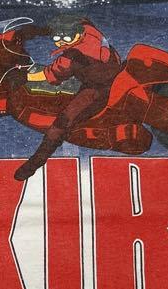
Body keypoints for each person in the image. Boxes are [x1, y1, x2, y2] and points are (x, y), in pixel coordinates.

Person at [13, 14, 122, 180]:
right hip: (110, 69)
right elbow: (76, 22)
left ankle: (34, 163)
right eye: (57, 38)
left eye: (67, 38)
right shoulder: (88, 29)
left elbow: (49, 74)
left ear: (78, 34)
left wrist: (24, 77)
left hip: (98, 88)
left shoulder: (73, 56)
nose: (61, 42)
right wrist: (41, 31)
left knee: (62, 122)